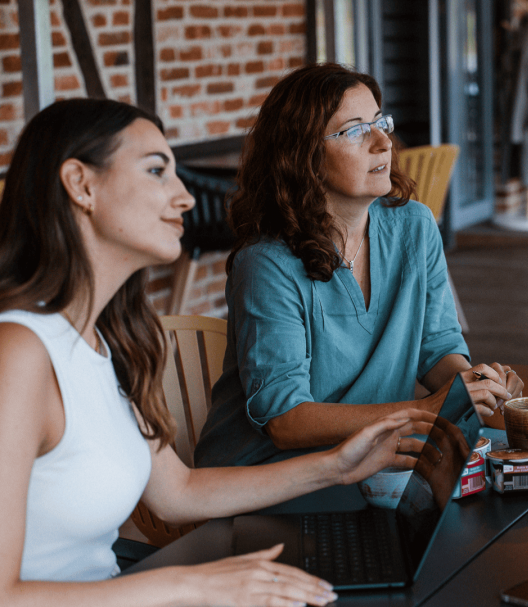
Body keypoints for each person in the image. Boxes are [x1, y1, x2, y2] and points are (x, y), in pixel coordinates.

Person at [0, 98, 441, 604]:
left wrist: (340, 465)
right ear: (81, 185)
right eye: (156, 171)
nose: (185, 197)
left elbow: (176, 494)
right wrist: (195, 584)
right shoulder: (19, 350)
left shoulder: (110, 338)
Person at [193, 63, 523, 468]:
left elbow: (437, 348)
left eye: (380, 122)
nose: (383, 141)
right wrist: (427, 410)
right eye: (354, 130)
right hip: (270, 479)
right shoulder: (267, 264)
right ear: (305, 157)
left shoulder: (415, 227)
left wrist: (472, 385)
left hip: (370, 462)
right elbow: (285, 420)